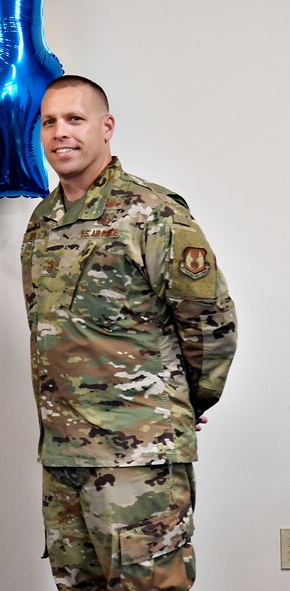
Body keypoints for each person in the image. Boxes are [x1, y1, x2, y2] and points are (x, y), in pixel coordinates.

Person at [21, 75, 238, 590]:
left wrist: (183, 402)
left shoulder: (152, 212)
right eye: (49, 121)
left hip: (139, 458)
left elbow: (211, 323)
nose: (60, 133)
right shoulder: (42, 222)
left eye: (75, 119)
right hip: (63, 456)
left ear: (106, 126)